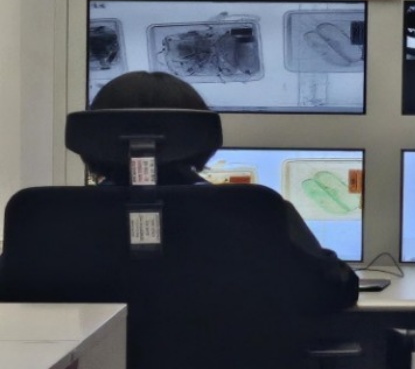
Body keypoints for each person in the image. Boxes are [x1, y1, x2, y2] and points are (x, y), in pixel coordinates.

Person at [88, 70, 359, 311]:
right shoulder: (255, 210)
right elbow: (333, 289)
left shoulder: (67, 217)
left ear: (91, 138)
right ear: (202, 136)